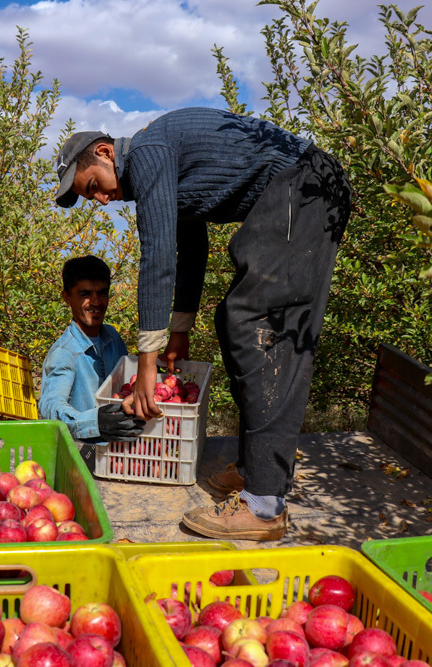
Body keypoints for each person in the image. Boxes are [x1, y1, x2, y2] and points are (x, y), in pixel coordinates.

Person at [54, 108, 351, 540]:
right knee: (237, 320)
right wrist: (179, 332)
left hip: (305, 188)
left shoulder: (148, 154)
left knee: (260, 326)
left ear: (105, 152)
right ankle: (256, 470)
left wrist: (148, 367)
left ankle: (264, 504)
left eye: (95, 186)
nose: (101, 200)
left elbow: (155, 258)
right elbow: (190, 249)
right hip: (297, 192)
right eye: (90, 197)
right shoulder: (160, 169)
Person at [39, 256, 144, 462]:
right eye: (85, 294)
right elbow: (51, 407)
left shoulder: (113, 338)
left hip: (122, 453)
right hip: (84, 456)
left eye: (102, 293)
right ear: (67, 297)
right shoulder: (65, 352)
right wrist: (95, 422)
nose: (96, 302)